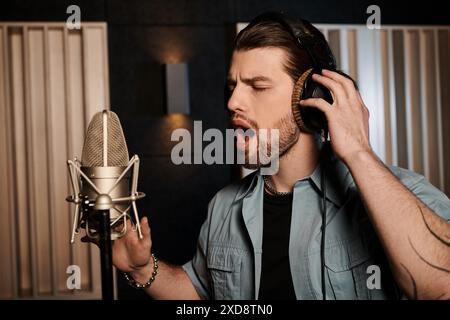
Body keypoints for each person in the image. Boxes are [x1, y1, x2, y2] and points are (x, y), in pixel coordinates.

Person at [111, 12, 450, 300]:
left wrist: (359, 153)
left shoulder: (400, 195)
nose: (233, 104)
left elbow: (441, 283)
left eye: (258, 86)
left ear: (311, 98)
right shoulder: (224, 209)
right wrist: (143, 269)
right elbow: (201, 291)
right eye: (233, 86)